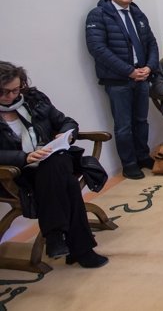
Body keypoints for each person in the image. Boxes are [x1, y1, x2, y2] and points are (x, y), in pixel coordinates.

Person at [0, 62, 108, 268]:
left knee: (54, 162)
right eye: (4, 92)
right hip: (16, 174)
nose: (11, 96)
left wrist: (66, 135)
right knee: (67, 184)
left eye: (15, 89)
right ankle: (81, 249)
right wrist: (24, 157)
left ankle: (55, 235)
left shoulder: (34, 100)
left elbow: (67, 122)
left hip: (52, 163)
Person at [85, 0, 159, 180]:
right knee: (124, 125)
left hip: (142, 77)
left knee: (141, 121)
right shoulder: (99, 14)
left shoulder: (137, 13)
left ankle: (143, 156)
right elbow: (98, 49)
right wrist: (129, 71)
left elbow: (151, 43)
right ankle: (129, 164)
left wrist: (149, 67)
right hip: (118, 80)